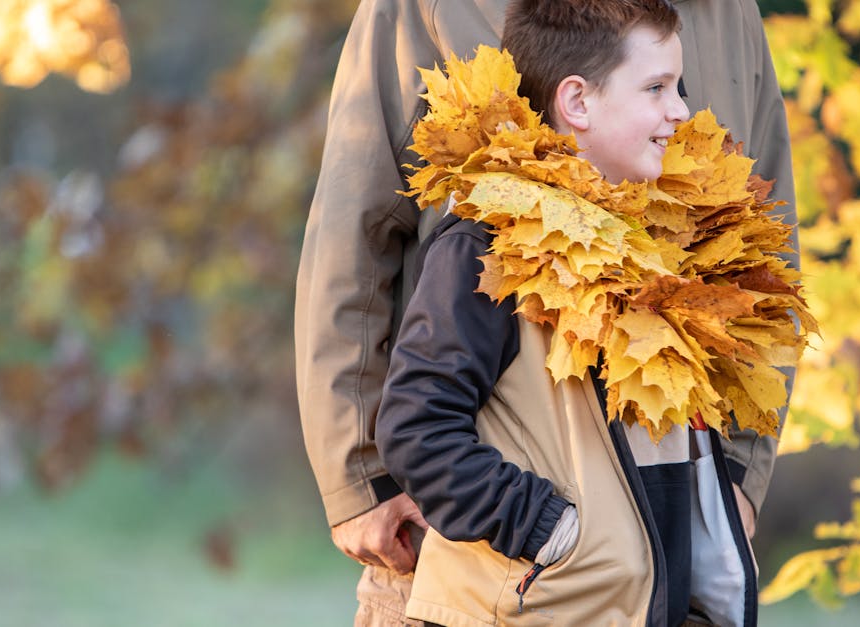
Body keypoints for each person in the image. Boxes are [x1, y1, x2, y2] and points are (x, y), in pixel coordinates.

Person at [294, 0, 798, 624]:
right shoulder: (473, 239)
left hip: (665, 539)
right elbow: (354, 230)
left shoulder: (727, 13)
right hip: (481, 548)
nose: (680, 110)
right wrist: (359, 477)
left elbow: (766, 259)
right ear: (576, 100)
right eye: (659, 89)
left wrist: (738, 481)